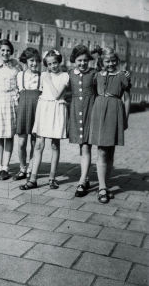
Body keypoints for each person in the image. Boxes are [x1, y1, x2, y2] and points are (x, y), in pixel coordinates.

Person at [20, 49, 69, 190]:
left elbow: (57, 95)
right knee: (39, 144)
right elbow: (42, 92)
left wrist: (48, 79)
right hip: (44, 109)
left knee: (55, 145)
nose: (52, 66)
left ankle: (52, 178)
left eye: (55, 63)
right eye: (49, 64)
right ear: (46, 64)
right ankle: (33, 178)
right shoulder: (43, 75)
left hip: (57, 109)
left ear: (59, 62)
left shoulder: (64, 75)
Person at [89, 47, 131, 204]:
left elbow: (127, 99)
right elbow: (92, 94)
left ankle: (105, 185)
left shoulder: (122, 76)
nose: (111, 64)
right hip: (100, 113)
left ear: (118, 61)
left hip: (115, 113)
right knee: (101, 151)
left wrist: (125, 119)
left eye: (114, 61)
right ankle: (102, 188)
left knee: (110, 151)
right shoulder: (96, 76)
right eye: (107, 61)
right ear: (102, 61)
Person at [0, 39, 20, 180]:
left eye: (7, 50)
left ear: (11, 51)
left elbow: (20, 83)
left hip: (11, 100)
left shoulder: (16, 66)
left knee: (9, 135)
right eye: (2, 50)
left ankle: (6, 167)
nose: (5, 53)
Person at [68, 45, 97, 197]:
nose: (83, 63)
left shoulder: (94, 73)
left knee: (86, 146)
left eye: (85, 60)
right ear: (74, 60)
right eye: (79, 60)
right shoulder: (70, 73)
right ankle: (85, 177)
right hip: (75, 113)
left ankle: (82, 180)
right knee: (82, 146)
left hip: (90, 112)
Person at [13, 47, 42, 181]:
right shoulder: (20, 75)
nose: (34, 63)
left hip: (38, 110)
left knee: (35, 142)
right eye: (31, 60)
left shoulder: (42, 77)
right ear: (26, 61)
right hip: (23, 110)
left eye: (36, 61)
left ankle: (31, 168)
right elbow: (16, 94)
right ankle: (22, 168)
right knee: (21, 142)